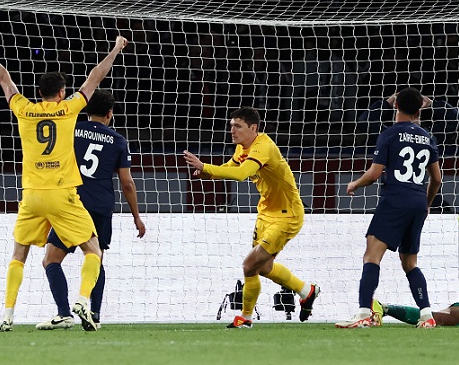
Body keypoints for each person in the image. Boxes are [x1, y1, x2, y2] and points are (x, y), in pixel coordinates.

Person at [0, 35, 129, 332]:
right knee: (93, 249)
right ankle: (82, 301)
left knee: (19, 254)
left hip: (32, 195)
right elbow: (95, 76)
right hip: (62, 195)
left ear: (39, 92)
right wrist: (115, 49)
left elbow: (4, 79)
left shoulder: (23, 108)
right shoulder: (70, 108)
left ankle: (8, 314)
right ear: (62, 93)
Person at [183, 107, 319, 328]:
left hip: (288, 215)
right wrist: (208, 172)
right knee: (263, 268)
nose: (232, 131)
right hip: (266, 213)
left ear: (253, 128)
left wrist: (206, 166)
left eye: (238, 126)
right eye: (231, 126)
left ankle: (245, 318)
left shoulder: (263, 147)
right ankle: (307, 291)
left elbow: (240, 174)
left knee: (249, 266)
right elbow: (229, 167)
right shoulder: (241, 148)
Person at [36, 90, 146, 331]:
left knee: (51, 260)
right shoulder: (118, 140)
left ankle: (64, 313)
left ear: (85, 110)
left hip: (71, 203)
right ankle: (94, 313)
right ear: (110, 114)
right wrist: (136, 216)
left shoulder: (70, 130)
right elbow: (127, 183)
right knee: (95, 258)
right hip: (101, 205)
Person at [336, 88, 442, 329]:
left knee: (371, 255)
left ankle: (364, 312)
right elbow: (437, 179)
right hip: (417, 202)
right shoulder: (428, 137)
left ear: (395, 107)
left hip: (395, 199)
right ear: (419, 110)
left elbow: (374, 174)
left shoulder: (390, 134)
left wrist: (355, 184)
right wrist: (426, 203)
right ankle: (426, 316)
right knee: (410, 262)